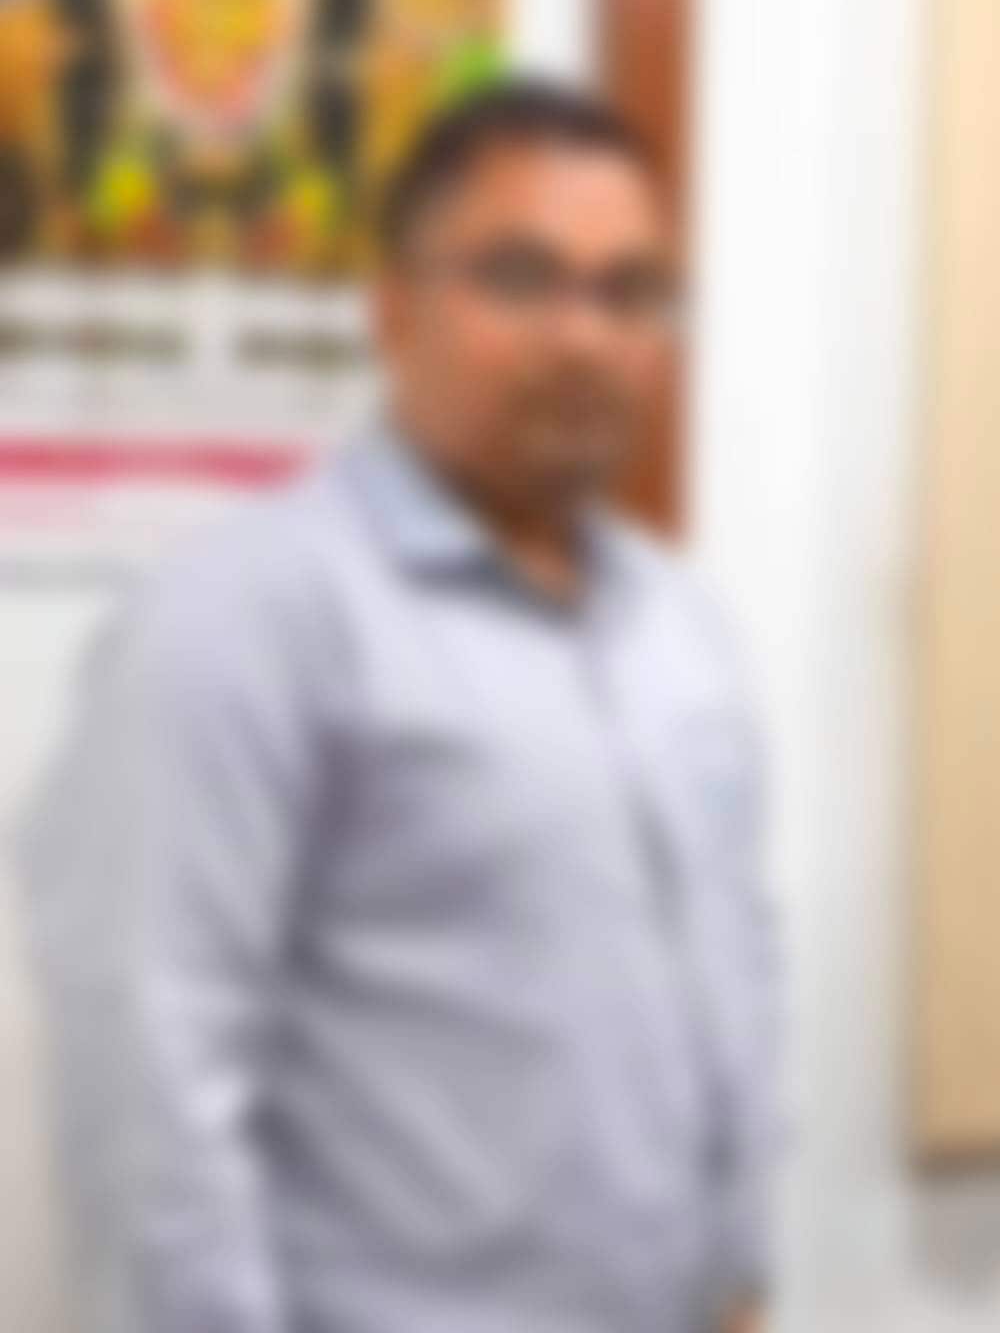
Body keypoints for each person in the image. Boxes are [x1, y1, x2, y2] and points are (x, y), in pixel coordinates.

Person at [17, 82, 782, 1333]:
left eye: (630, 292)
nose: (582, 338)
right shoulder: (244, 617)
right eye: (521, 278)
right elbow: (152, 1092)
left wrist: (738, 1276)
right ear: (392, 308)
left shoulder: (679, 626)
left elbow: (732, 980)